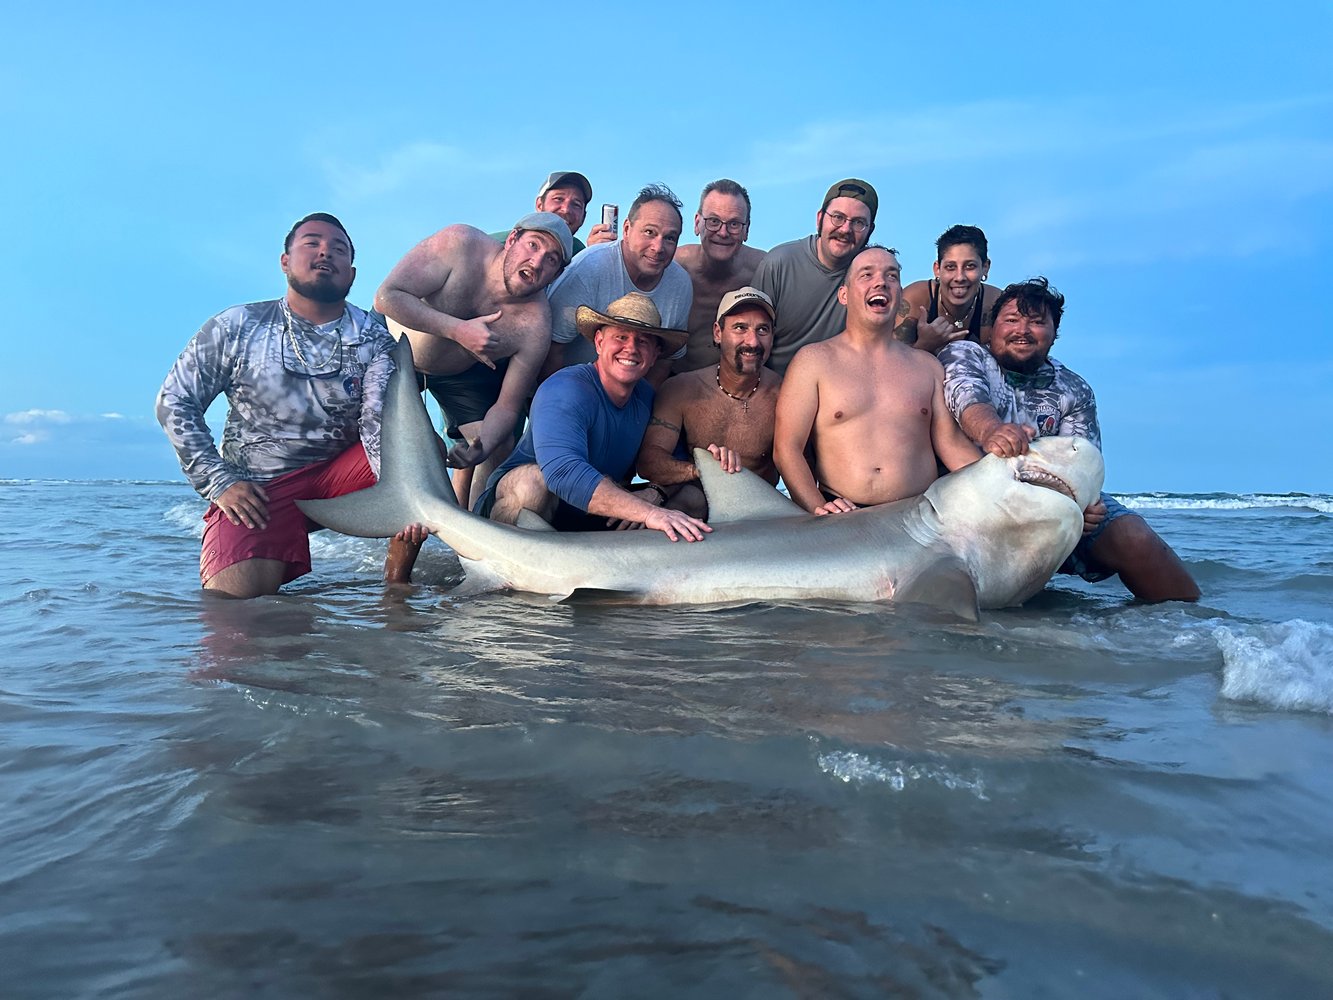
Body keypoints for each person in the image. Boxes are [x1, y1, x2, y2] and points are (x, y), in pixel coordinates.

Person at [156, 213, 398, 599]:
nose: (325, 253)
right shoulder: (237, 325)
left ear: (351, 275)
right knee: (233, 617)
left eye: (338, 249)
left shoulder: (375, 339)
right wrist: (220, 483)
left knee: (419, 460)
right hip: (259, 489)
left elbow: (377, 422)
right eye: (312, 243)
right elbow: (175, 402)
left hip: (339, 477)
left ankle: (398, 588)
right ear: (285, 262)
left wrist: (405, 495)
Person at [939, 277, 1201, 602]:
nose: (1023, 330)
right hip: (972, 503)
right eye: (1012, 320)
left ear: (1053, 335)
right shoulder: (966, 354)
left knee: (1134, 536)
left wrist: (1088, 506)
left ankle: (1198, 630)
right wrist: (991, 431)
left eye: (1037, 322)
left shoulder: (1074, 389)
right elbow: (968, 400)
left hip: (1052, 508)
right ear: (991, 329)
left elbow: (1084, 462)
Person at [374, 211, 572, 516]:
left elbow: (506, 407)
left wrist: (481, 446)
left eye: (551, 260)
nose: (536, 263)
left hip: (457, 376)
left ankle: (479, 537)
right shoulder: (460, 243)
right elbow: (387, 297)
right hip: (394, 350)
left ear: (556, 274)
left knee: (498, 445)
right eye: (533, 245)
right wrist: (458, 330)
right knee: (416, 456)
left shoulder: (535, 324)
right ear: (512, 239)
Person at [476, 292, 711, 542]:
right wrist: (648, 513)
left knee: (692, 499)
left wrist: (656, 493)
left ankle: (631, 574)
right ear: (599, 342)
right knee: (531, 485)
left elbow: (676, 463)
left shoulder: (648, 398)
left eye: (643, 342)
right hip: (533, 505)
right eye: (620, 337)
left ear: (654, 355)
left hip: (595, 512)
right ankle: (512, 572)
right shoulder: (566, 389)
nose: (631, 348)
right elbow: (563, 474)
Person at [774, 245, 981, 514]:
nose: (881, 282)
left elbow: (951, 444)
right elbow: (787, 448)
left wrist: (1002, 479)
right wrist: (817, 509)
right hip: (844, 516)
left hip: (919, 516)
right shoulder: (813, 362)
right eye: (866, 275)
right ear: (844, 295)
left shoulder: (927, 366)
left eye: (891, 276)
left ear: (898, 295)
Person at [636, 286, 782, 519]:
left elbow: (803, 463)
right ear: (717, 332)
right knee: (688, 501)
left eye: (762, 330)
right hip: (697, 505)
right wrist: (705, 470)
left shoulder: (785, 394)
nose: (752, 341)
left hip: (761, 513)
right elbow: (648, 462)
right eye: (740, 328)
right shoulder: (681, 389)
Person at [541, 183, 692, 386]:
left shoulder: (680, 285)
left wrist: (639, 407)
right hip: (568, 388)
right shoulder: (589, 268)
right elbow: (551, 349)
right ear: (627, 229)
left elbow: (665, 358)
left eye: (670, 238)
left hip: (627, 397)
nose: (658, 247)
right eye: (649, 232)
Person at [751, 177, 878, 375]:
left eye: (858, 223)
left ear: (870, 230)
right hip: (771, 386)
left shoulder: (871, 279)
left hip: (838, 393)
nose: (845, 229)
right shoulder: (779, 263)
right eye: (837, 217)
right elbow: (752, 339)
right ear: (820, 218)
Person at [671, 179, 768, 373]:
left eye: (734, 224)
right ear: (697, 223)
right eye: (713, 221)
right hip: (673, 385)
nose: (723, 233)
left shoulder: (764, 269)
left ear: (746, 230)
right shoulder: (673, 266)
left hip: (740, 386)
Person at [895, 224, 1001, 353]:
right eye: (951, 267)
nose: (959, 277)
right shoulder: (915, 298)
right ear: (937, 269)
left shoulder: (997, 304)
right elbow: (893, 362)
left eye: (970, 266)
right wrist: (924, 345)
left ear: (985, 267)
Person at [489, 170, 614, 256]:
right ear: (539, 205)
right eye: (558, 199)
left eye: (576, 204)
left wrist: (593, 257)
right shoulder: (497, 245)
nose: (566, 209)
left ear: (583, 217)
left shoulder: (577, 250)